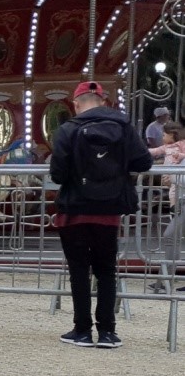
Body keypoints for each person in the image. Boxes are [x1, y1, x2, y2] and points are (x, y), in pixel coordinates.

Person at [49, 80, 153, 347]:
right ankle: (107, 331)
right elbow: (144, 161)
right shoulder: (123, 126)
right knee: (107, 270)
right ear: (104, 101)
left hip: (75, 209)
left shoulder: (68, 129)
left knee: (79, 271)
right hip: (109, 211)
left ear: (76, 103)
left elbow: (57, 174)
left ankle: (82, 330)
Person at [148, 122, 184, 293]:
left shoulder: (180, 150)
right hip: (177, 199)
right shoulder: (173, 150)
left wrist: (172, 178)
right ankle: (165, 279)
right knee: (172, 238)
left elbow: (180, 176)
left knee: (171, 237)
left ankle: (166, 279)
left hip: (180, 198)